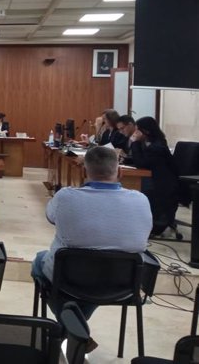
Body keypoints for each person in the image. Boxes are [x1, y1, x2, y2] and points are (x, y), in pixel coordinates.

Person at [31, 146, 152, 344]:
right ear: (120, 172)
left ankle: (71, 327)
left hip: (70, 279)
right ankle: (75, 326)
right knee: (95, 274)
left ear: (84, 171)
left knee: (39, 262)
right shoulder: (141, 200)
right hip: (123, 282)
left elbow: (50, 217)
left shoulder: (66, 197)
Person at [128, 116, 180, 236]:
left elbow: (141, 163)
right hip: (154, 179)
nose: (135, 133)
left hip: (162, 185)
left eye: (137, 130)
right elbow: (142, 160)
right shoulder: (150, 143)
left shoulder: (158, 146)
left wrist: (134, 143)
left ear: (145, 131)